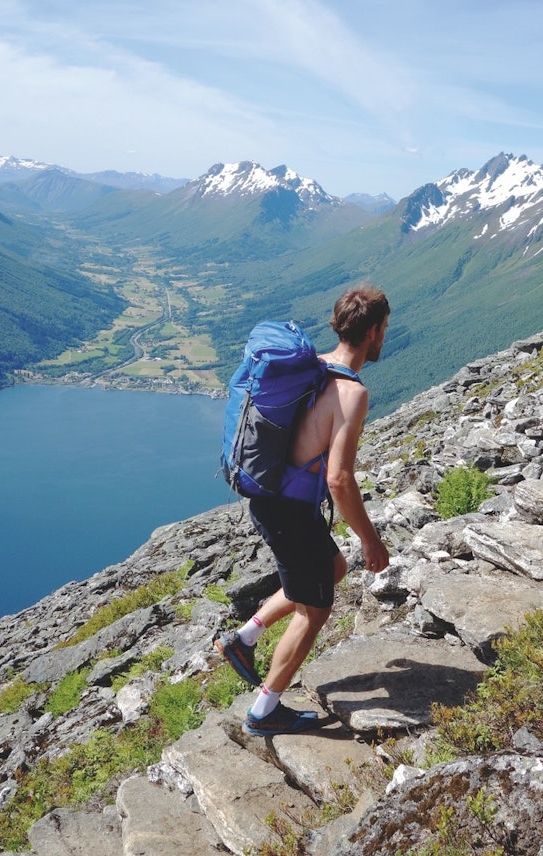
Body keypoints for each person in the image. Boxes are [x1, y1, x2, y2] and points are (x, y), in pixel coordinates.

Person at [215, 285, 392, 736]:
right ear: (373, 331)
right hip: (290, 512)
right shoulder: (352, 394)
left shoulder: (315, 369)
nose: (383, 337)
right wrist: (370, 539)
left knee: (330, 568)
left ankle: (244, 637)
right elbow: (339, 479)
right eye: (383, 330)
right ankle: (264, 711)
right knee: (314, 609)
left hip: (274, 500)